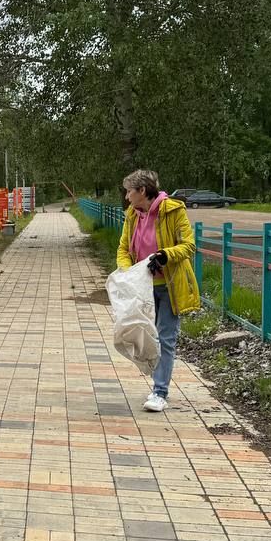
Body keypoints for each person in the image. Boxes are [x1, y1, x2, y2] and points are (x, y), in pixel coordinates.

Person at [116, 169, 199, 412]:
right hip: (142, 288)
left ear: (142, 191)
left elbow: (188, 245)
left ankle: (159, 391)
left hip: (170, 286)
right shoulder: (132, 215)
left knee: (165, 338)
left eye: (129, 191)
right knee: (142, 336)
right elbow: (123, 249)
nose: (126, 197)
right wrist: (128, 271)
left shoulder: (173, 211)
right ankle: (157, 378)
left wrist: (164, 256)